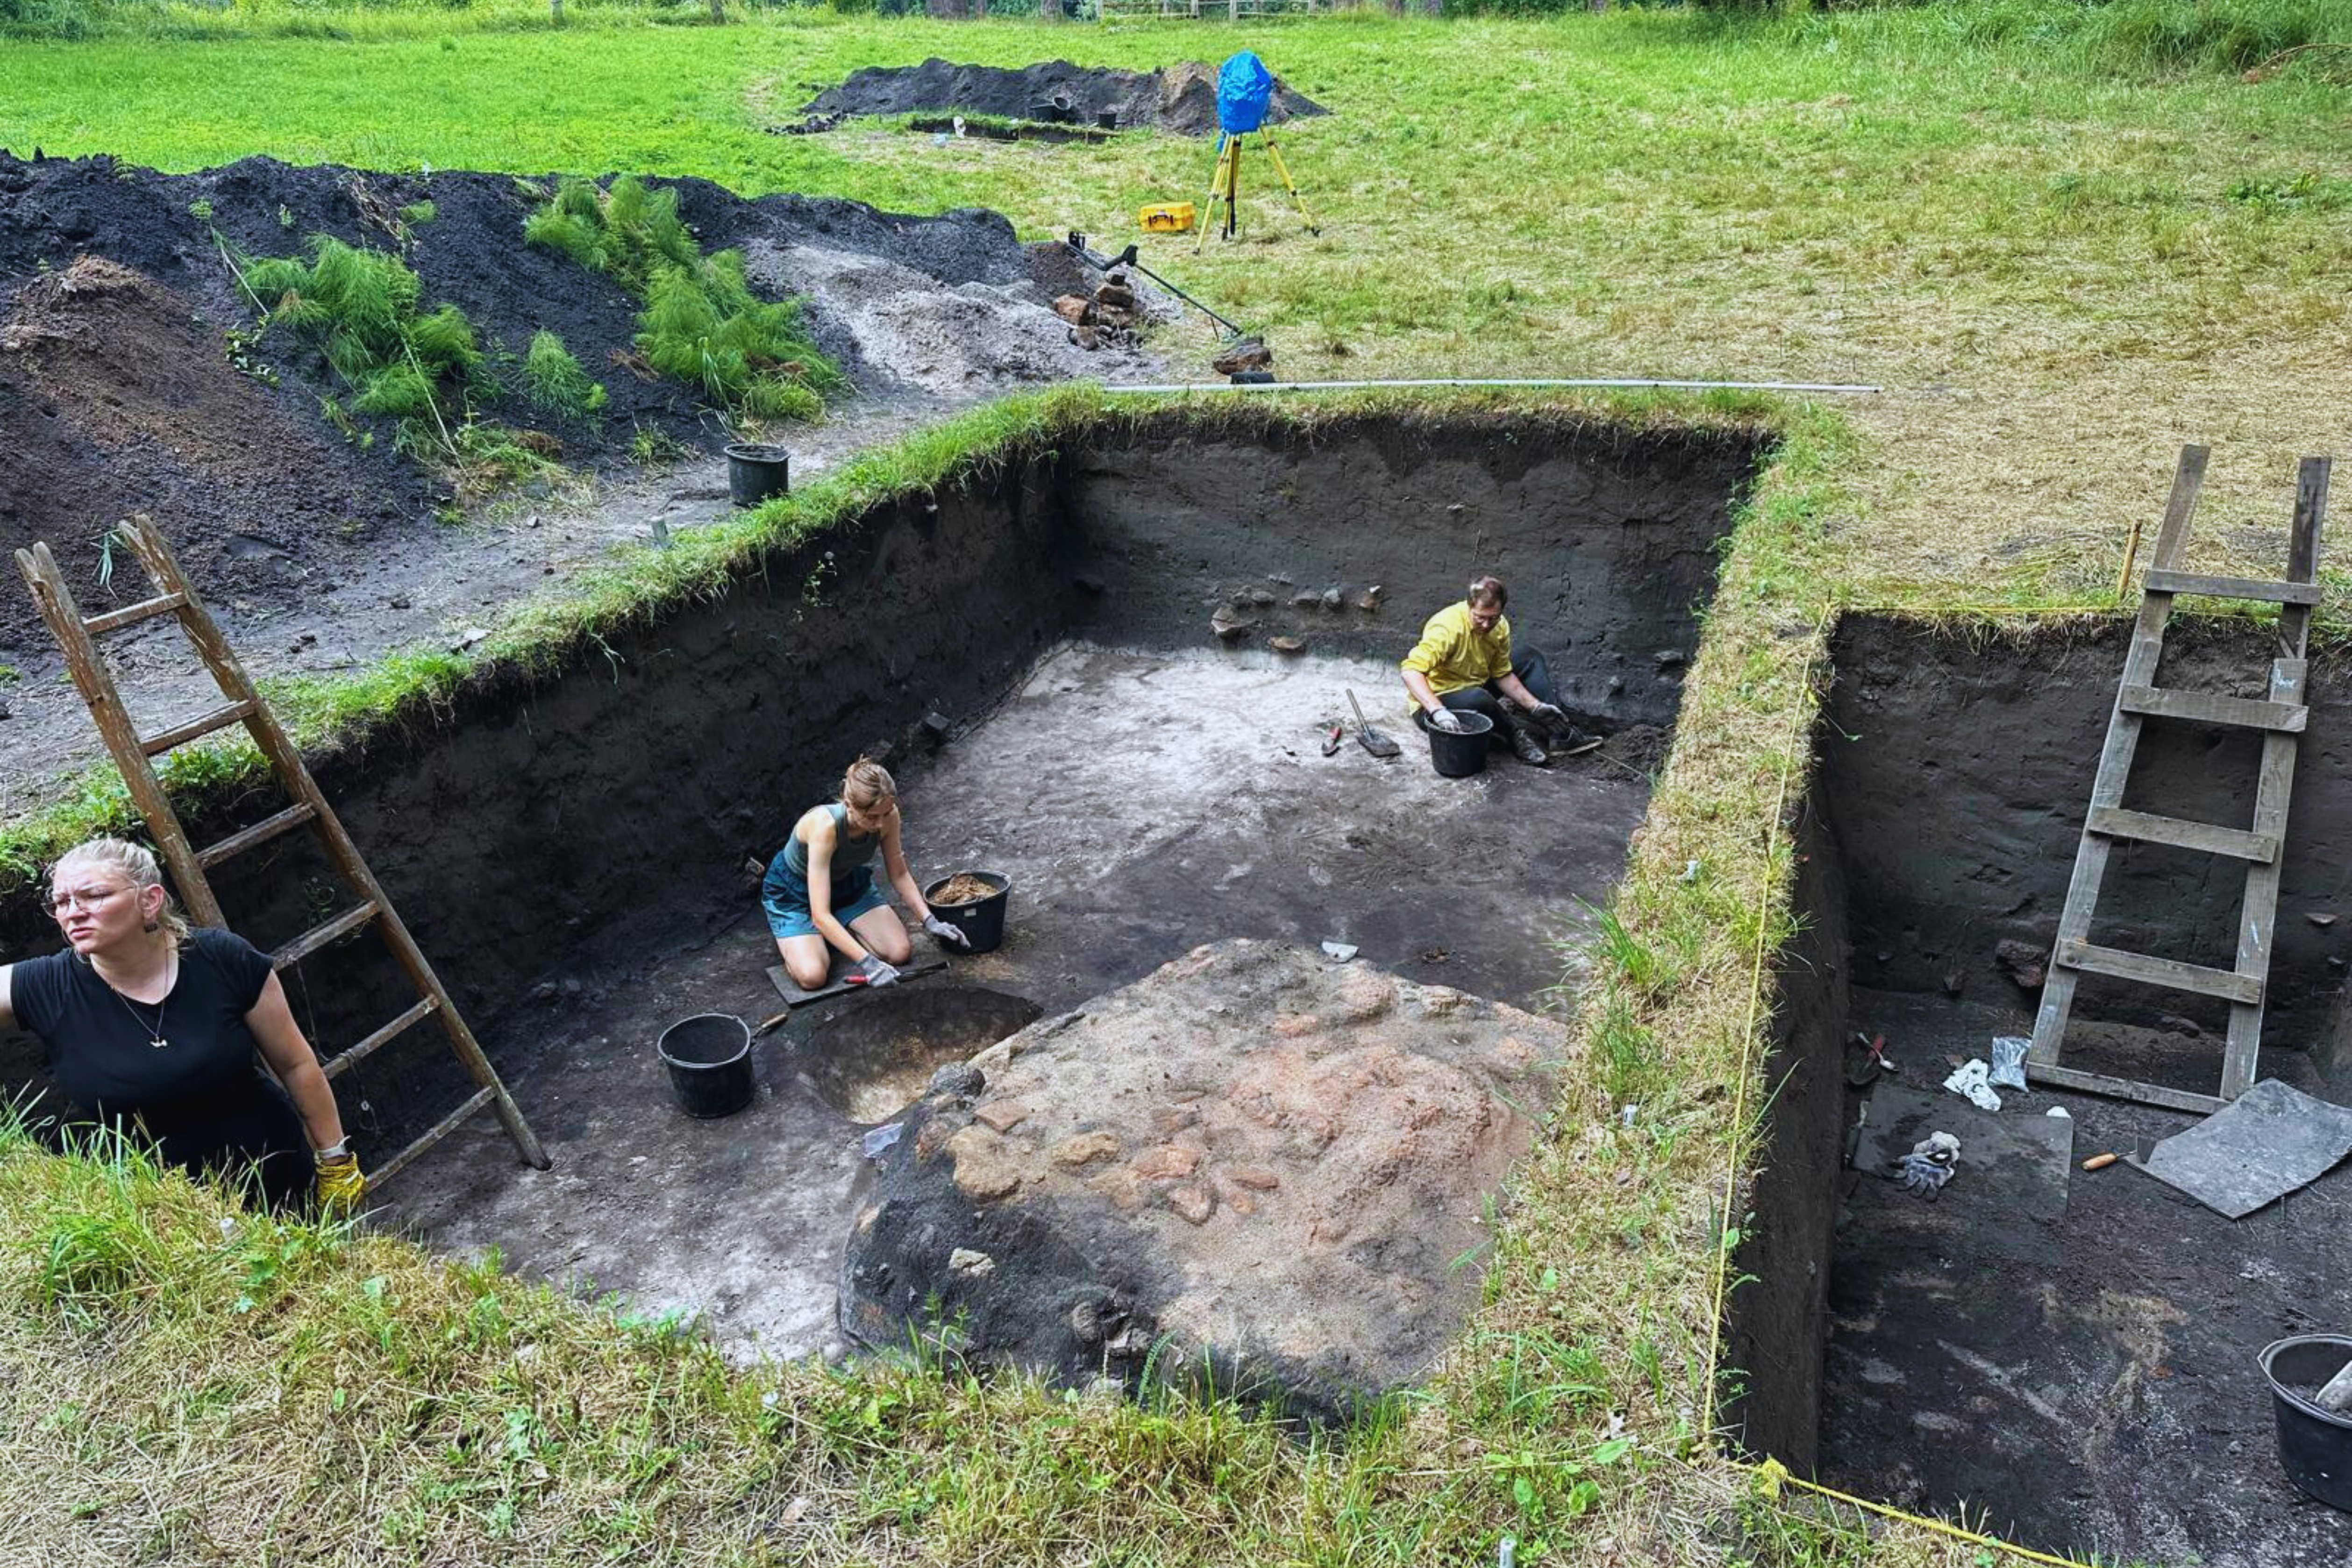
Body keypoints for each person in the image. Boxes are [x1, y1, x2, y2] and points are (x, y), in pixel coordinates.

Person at [0, 838, 364, 1212]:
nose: (73, 913)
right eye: (61, 902)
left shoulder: (223, 959)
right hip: (163, 1210)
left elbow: (296, 1065)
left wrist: (335, 1159)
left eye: (94, 896)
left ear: (150, 900)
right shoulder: (47, 986)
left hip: (275, 1178)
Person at [764, 758, 970, 991]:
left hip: (846, 884)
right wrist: (868, 963)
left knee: (899, 953)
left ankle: (840, 931)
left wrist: (930, 920)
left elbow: (899, 874)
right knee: (813, 977)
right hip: (795, 894)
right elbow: (820, 914)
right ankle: (805, 938)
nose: (880, 823)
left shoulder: (888, 815)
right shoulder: (825, 827)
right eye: (872, 816)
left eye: (886, 812)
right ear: (849, 804)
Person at [1399, 575, 1588, 767]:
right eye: (1480, 618)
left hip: (1475, 687)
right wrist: (1438, 711)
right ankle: (1514, 733)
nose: (1486, 625)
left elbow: (1501, 674)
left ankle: (1561, 733)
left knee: (1529, 657)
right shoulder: (1446, 628)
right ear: (1469, 606)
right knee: (1478, 697)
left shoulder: (1500, 627)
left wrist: (1534, 706)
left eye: (1493, 618)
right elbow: (1410, 671)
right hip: (1435, 704)